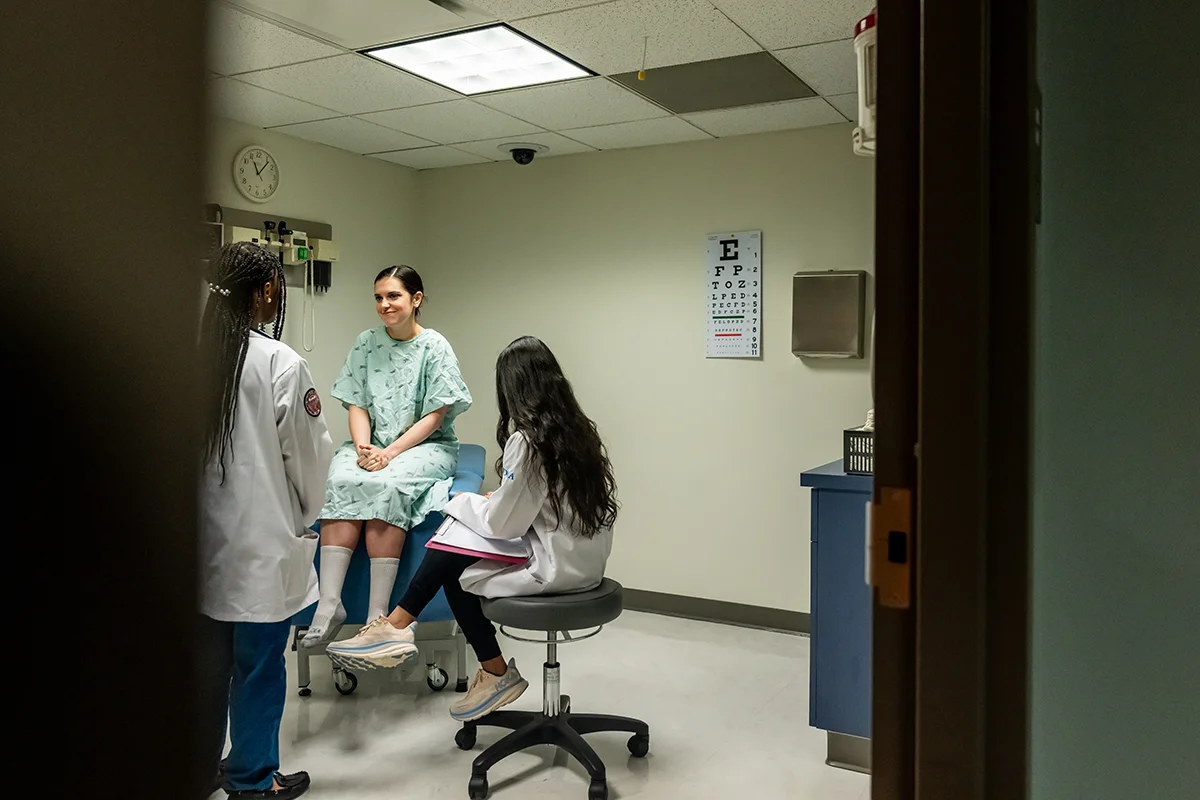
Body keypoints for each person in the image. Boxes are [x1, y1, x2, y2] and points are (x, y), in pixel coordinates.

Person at [327, 336, 618, 723]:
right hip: (582, 560)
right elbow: (539, 504)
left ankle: (402, 630)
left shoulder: (528, 441)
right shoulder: (578, 431)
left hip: (553, 569)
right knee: (456, 555)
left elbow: (503, 523)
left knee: (453, 543)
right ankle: (452, 652)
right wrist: (499, 501)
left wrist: (464, 503)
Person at [198, 243, 334, 799]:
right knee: (256, 672)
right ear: (266, 292)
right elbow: (309, 458)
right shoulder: (280, 363)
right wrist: (302, 518)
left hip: (200, 548)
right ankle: (253, 782)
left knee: (205, 671)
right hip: (259, 545)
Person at [300, 266, 472, 648]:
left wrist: (390, 453)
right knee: (341, 479)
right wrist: (364, 448)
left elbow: (436, 414)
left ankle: (377, 617)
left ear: (416, 299)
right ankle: (329, 604)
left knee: (387, 484)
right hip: (372, 444)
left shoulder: (435, 347)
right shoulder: (366, 343)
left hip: (426, 447)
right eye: (378, 297)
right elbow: (356, 402)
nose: (384, 304)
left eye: (393, 296)